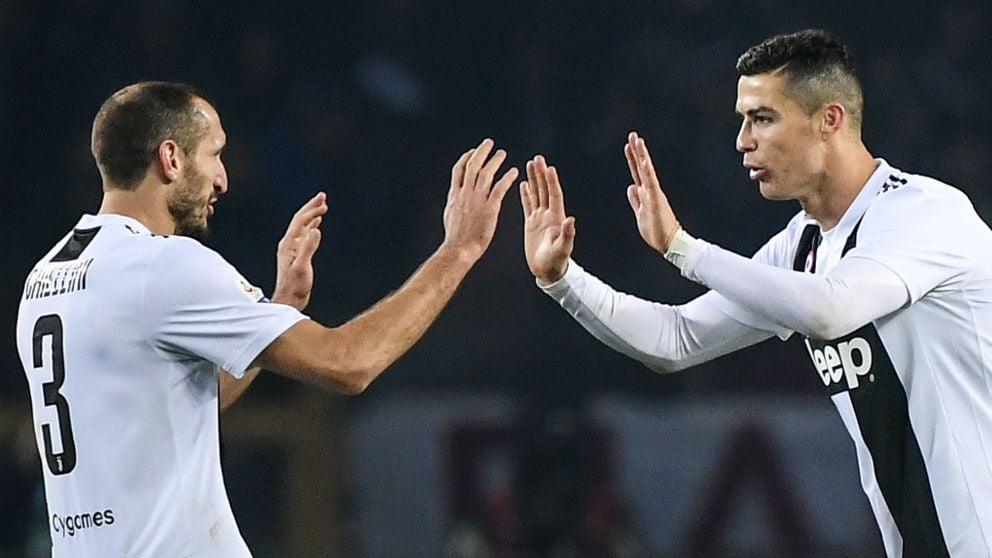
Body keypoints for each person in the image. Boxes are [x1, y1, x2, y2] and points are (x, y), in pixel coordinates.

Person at [520, 29, 992, 558]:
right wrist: (562, 279)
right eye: (743, 120)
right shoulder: (804, 243)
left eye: (762, 118)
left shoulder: (926, 213)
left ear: (829, 120)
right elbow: (675, 341)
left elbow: (833, 310)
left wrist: (683, 249)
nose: (743, 140)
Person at [16, 81, 517, 558]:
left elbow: (176, 410)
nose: (223, 178)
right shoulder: (163, 266)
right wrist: (459, 250)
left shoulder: (45, 280)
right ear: (171, 158)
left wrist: (278, 309)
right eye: (214, 153)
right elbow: (349, 363)